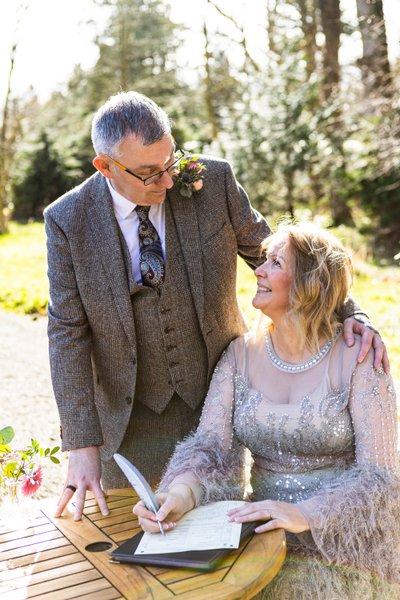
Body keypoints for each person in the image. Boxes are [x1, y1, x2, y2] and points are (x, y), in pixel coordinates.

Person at [44, 91, 386, 521]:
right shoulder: (67, 220)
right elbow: (67, 332)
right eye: (149, 173)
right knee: (135, 540)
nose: (168, 182)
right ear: (105, 166)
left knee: (211, 542)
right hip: (124, 419)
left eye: (170, 163)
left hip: (213, 403)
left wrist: (350, 311)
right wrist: (82, 444)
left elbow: (288, 260)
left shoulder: (214, 181)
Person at [135, 223, 399, 599]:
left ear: (311, 283)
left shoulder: (361, 359)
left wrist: (305, 514)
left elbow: (380, 478)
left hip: (340, 550)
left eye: (274, 263)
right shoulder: (239, 354)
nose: (257, 271)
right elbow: (210, 450)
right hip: (257, 538)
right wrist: (178, 496)